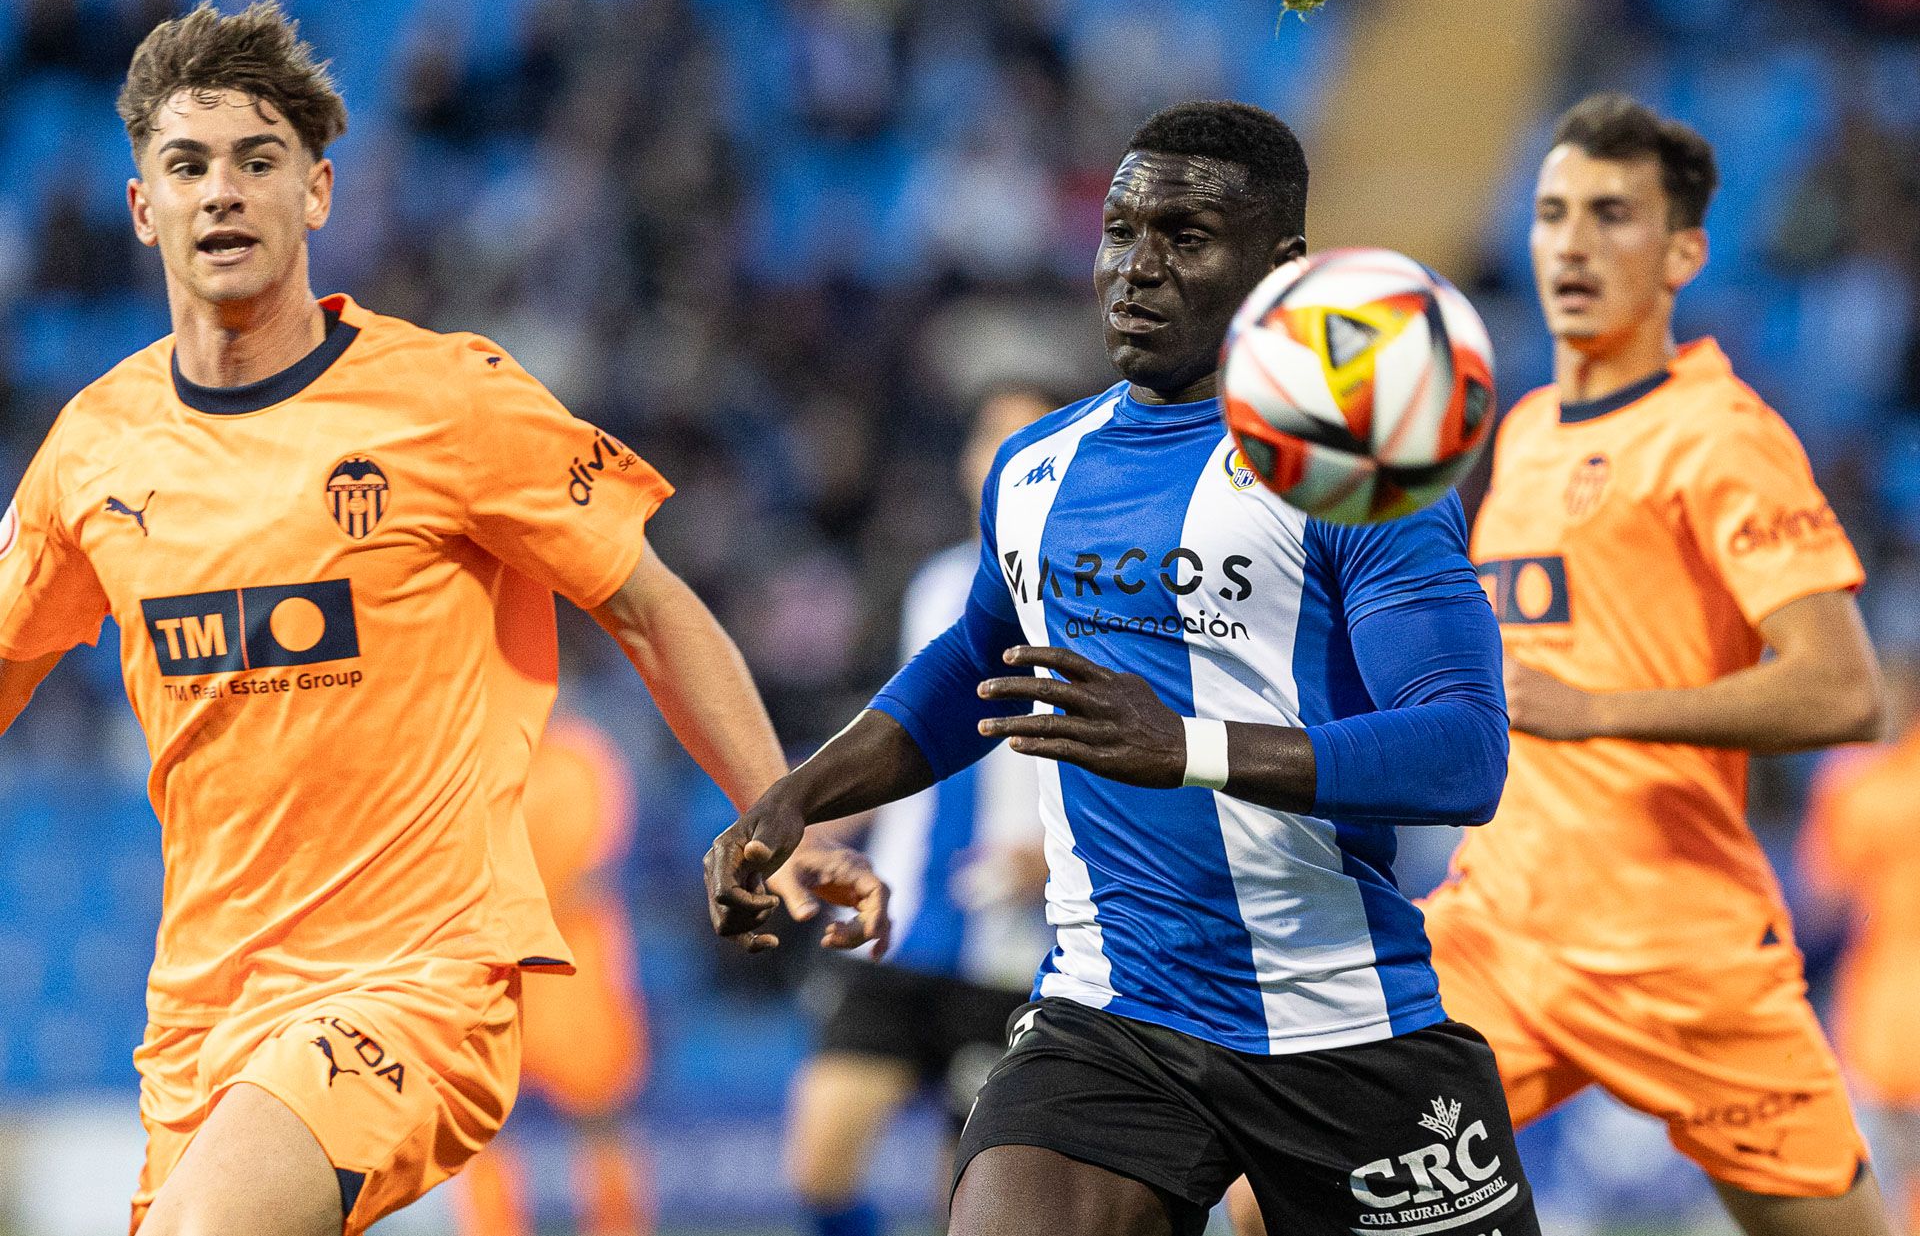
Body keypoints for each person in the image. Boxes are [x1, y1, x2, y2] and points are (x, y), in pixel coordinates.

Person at [0, 1, 885, 1236]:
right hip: (205, 1006)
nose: (222, 193)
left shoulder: (444, 401)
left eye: (257, 162)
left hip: (414, 980)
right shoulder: (91, 450)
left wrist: (778, 813)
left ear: (315, 193)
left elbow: (648, 605)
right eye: (186, 165)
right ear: (142, 206)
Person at [707, 99, 1542, 1236]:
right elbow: (975, 668)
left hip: (1340, 1020)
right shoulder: (1036, 466)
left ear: (1279, 269)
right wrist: (796, 798)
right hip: (1112, 1015)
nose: (1136, 270)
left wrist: (1186, 748)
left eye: (1186, 238)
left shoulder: (1356, 474)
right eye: (1119, 231)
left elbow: (1463, 750)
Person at [1287, 92, 1884, 1236]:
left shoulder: (1719, 435)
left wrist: (1593, 706)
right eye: (1554, 211)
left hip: (1680, 948)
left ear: (1683, 252)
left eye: (1613, 214)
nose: (1572, 241)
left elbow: (1843, 688)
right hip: (1502, 928)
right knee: (1287, 1191)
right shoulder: (1524, 431)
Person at [785, 387, 1057, 1236]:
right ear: (971, 460)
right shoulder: (933, 582)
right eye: (991, 437)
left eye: (1028, 439)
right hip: (898, 925)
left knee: (969, 1206)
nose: (1004, 455)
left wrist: (1048, 857)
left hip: (1011, 948)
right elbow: (894, 726)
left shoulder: (1102, 589)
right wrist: (814, 818)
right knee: (820, 1160)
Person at [455, 712, 654, 1236]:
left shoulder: (580, 755)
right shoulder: (466, 757)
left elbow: (595, 869)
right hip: (493, 961)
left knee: (600, 1116)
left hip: (572, 965)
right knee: (480, 1123)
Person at [1798, 651, 1920, 1233]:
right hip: (1881, 998)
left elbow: (1823, 902)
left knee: (1881, 1179)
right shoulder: (1855, 781)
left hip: (1880, 1006)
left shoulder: (1852, 781)